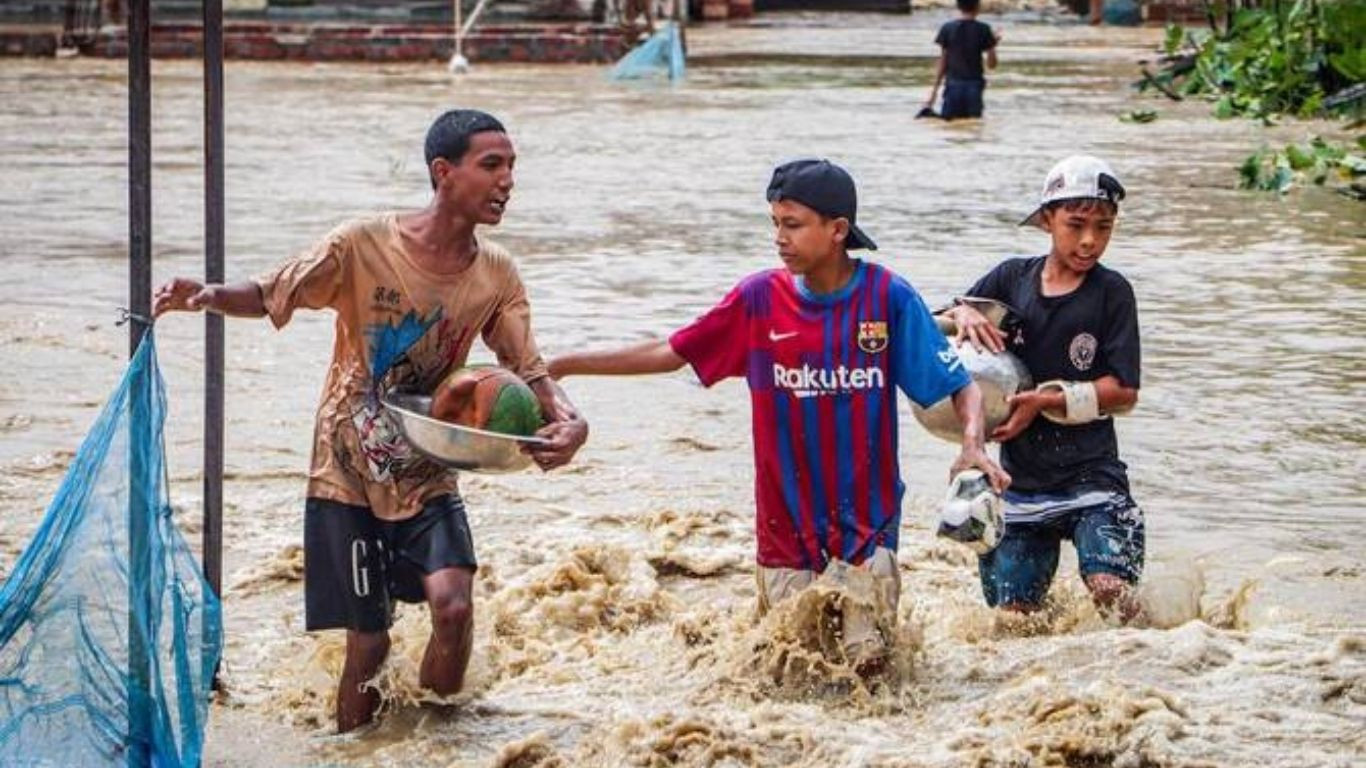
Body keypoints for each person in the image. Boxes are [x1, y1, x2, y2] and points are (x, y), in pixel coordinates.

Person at [153, 109, 589, 732]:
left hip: (427, 468)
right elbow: (276, 291)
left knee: (454, 607)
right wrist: (210, 295)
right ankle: (352, 749)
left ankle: (433, 742)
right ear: (444, 173)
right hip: (346, 470)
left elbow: (533, 371)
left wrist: (573, 424)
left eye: (512, 166)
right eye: (491, 165)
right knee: (369, 644)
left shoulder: (497, 274)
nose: (507, 180)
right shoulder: (362, 244)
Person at [549, 158, 1009, 669]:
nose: (779, 237)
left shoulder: (888, 298)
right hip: (784, 526)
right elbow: (671, 351)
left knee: (871, 665)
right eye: (775, 223)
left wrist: (973, 444)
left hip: (867, 525)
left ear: (837, 231)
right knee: (788, 669)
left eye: (792, 224)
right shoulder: (758, 300)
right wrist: (564, 364)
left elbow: (958, 386)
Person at [943, 154, 1143, 622]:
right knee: (1014, 620)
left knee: (1110, 591)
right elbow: (935, 328)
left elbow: (1125, 392)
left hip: (1094, 479)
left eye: (1104, 226)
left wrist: (1044, 402)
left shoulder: (1113, 293)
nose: (1090, 240)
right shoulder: (1010, 280)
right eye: (1076, 225)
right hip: (1019, 486)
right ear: (1047, 220)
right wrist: (963, 312)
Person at [923, 0, 1001, 120]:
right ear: (978, 7)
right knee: (974, 126)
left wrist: (934, 91)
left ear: (958, 7)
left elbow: (943, 61)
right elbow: (992, 65)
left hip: (953, 86)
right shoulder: (984, 29)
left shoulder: (947, 28)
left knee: (949, 126)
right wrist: (993, 44)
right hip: (974, 87)